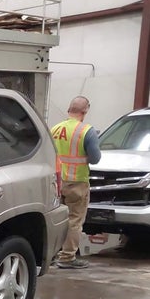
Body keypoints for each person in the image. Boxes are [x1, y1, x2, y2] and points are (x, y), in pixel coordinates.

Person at [51, 96, 101, 269]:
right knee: (74, 220)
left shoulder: (55, 129)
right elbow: (95, 158)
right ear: (85, 111)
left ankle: (51, 255)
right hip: (76, 182)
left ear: (69, 109)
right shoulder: (87, 131)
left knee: (56, 219)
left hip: (56, 181)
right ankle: (67, 257)